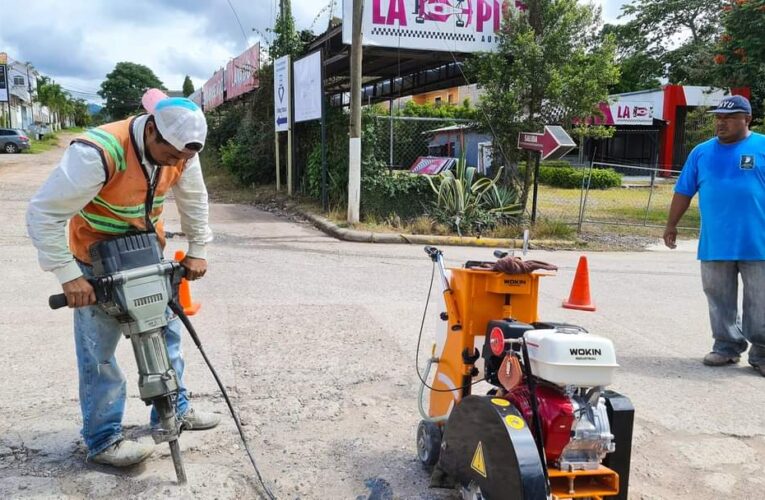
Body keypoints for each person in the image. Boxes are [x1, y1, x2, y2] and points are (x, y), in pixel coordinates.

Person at [26, 89, 221, 467]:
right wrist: (68, 276)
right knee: (98, 356)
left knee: (168, 338)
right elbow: (43, 214)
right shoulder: (97, 152)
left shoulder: (182, 151)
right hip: (95, 265)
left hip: (147, 257)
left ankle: (174, 411)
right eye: (171, 155)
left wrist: (199, 249)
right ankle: (102, 440)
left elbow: (195, 200)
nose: (177, 164)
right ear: (152, 132)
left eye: (185, 157)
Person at [664, 95, 765, 376]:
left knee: (761, 301)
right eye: (718, 117)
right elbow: (684, 190)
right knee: (718, 297)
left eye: (729, 117)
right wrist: (671, 224)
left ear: (747, 119)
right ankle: (726, 346)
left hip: (759, 242)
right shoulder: (702, 152)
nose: (721, 122)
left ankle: (762, 352)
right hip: (716, 240)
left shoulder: (762, 146)